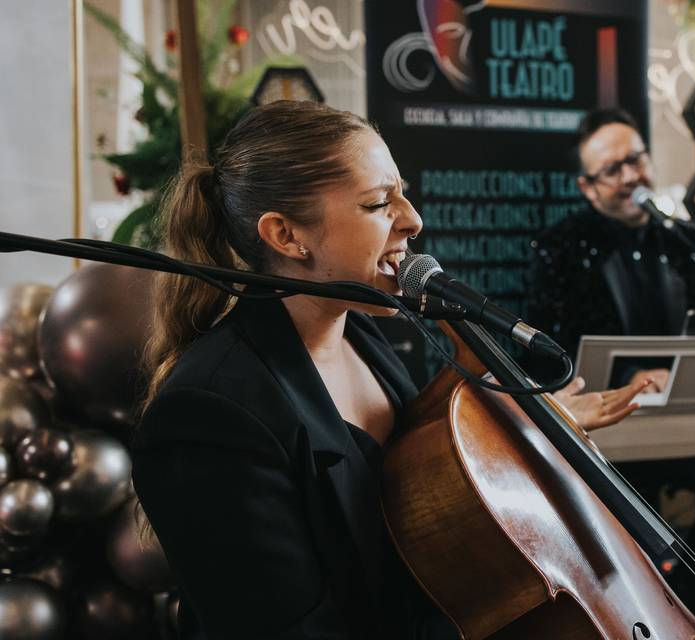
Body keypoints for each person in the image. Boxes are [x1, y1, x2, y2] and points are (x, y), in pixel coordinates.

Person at [132, 101, 644, 640]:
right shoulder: (207, 414)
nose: (413, 219)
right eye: (379, 203)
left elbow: (425, 498)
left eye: (402, 192)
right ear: (285, 235)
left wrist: (521, 430)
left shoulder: (361, 334)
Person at [527, 107, 695, 391]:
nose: (630, 176)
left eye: (635, 160)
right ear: (588, 188)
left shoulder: (686, 239)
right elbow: (553, 354)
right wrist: (630, 377)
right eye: (612, 170)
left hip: (687, 406)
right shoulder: (559, 248)